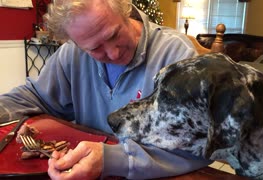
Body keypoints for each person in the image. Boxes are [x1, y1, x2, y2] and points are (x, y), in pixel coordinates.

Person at [0, 0, 212, 179]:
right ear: (76, 43)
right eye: (95, 48)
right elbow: (35, 96)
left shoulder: (175, 54)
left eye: (113, 35)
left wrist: (110, 159)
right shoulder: (71, 55)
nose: (113, 54)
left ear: (125, 10)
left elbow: (196, 146)